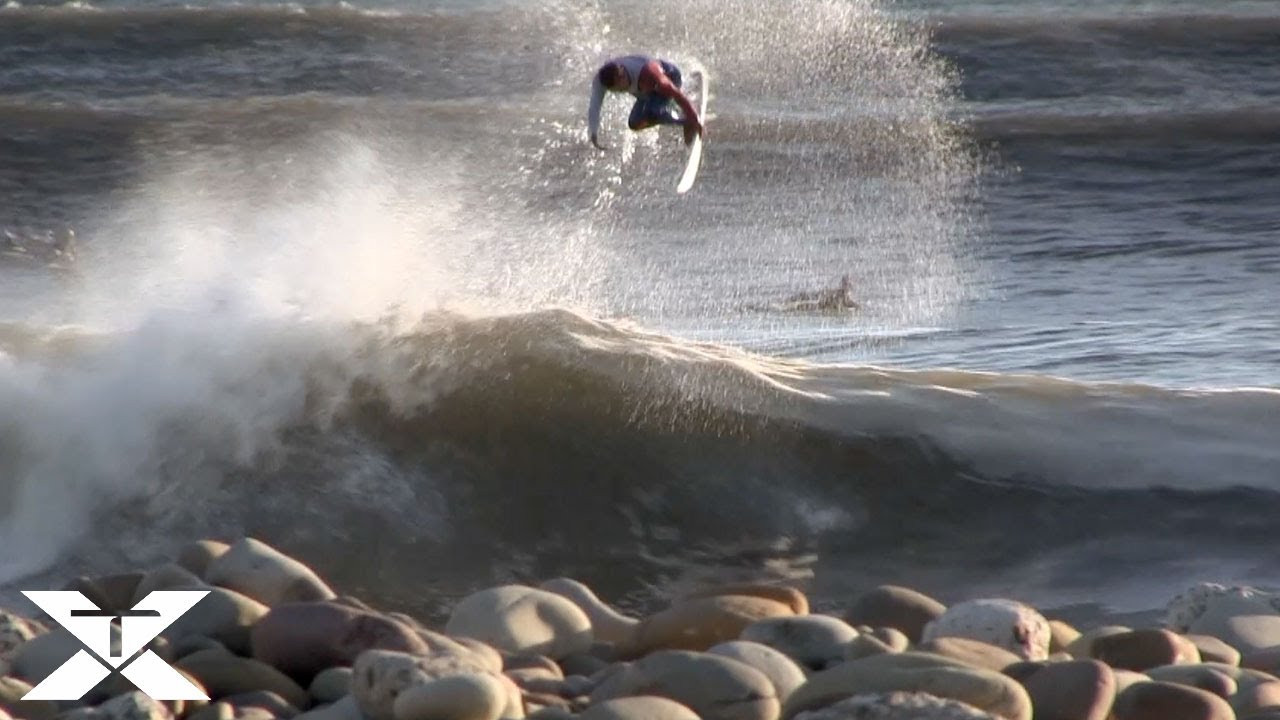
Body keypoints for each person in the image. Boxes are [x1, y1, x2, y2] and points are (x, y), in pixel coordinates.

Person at [587, 55, 704, 150]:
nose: (621, 91)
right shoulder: (600, 80)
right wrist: (593, 133)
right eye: (616, 90)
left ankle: (686, 121)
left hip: (670, 77)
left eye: (620, 88)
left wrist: (693, 116)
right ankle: (676, 111)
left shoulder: (648, 72)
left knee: (653, 111)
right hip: (647, 94)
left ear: (621, 76)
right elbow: (594, 105)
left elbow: (673, 91)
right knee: (634, 123)